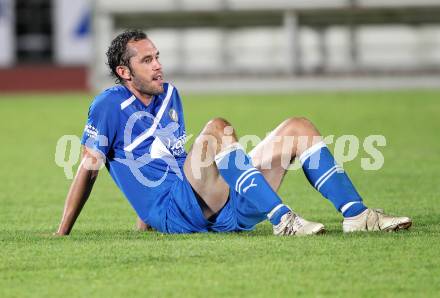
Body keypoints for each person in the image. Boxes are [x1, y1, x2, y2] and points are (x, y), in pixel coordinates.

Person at [55, 29, 412, 236]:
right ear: (124, 72)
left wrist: (144, 223)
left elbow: (166, 159)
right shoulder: (107, 106)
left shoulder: (170, 95)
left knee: (299, 128)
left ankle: (358, 216)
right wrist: (62, 232)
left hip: (218, 210)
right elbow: (89, 168)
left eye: (158, 56)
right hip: (178, 211)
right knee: (217, 129)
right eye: (147, 60)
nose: (158, 65)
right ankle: (283, 220)